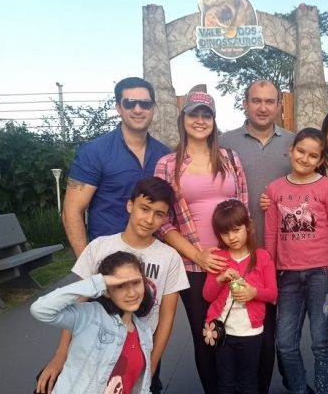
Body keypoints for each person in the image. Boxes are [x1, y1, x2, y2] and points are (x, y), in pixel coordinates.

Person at [35, 177, 189, 394]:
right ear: (130, 205)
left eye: (159, 214)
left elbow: (167, 317)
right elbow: (77, 302)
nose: (149, 219)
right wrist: (61, 354)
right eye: (144, 209)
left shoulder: (169, 258)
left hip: (138, 350)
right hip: (94, 345)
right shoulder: (99, 247)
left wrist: (152, 365)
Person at [154, 87, 248, 394]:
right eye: (193, 114)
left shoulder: (230, 158)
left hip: (234, 260)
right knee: (206, 334)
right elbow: (162, 221)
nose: (200, 120)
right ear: (183, 119)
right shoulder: (168, 164)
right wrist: (198, 256)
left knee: (238, 330)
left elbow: (244, 208)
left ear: (214, 120)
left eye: (206, 114)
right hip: (193, 266)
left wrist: (247, 255)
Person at [219, 79, 294, 394]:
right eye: (256, 101)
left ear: (279, 105)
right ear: (245, 104)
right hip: (238, 256)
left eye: (269, 101)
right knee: (238, 331)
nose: (263, 107)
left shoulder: (293, 143)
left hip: (283, 256)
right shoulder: (225, 142)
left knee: (274, 333)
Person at [265, 128, 328, 394]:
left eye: (312, 155)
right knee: (285, 343)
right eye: (300, 151)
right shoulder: (274, 189)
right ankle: (299, 390)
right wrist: (270, 278)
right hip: (287, 275)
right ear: (291, 150)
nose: (304, 159)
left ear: (320, 160)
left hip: (323, 272)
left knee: (321, 342)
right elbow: (271, 236)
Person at [63, 76, 170, 257]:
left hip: (155, 258)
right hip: (108, 258)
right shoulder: (93, 152)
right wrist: (85, 264)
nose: (138, 109)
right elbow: (71, 211)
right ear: (119, 108)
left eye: (145, 104)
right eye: (129, 103)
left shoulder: (165, 155)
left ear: (153, 108)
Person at [31, 251, 155, 394]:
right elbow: (41, 310)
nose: (132, 293)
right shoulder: (90, 316)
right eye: (120, 286)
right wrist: (99, 282)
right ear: (107, 291)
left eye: (136, 282)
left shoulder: (144, 334)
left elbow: (139, 386)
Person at [202, 199, 277, 394]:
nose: (231, 237)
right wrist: (220, 279)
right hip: (223, 331)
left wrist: (253, 292)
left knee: (248, 383)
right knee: (225, 383)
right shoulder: (219, 257)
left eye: (236, 230)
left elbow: (273, 293)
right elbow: (207, 295)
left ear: (248, 226)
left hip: (251, 333)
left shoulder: (262, 257)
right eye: (225, 233)